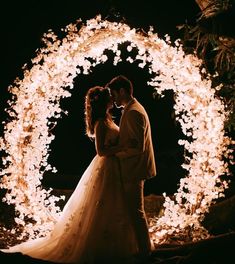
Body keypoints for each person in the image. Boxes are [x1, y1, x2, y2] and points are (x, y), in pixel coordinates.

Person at [1, 86, 139, 263]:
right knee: (104, 203)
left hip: (115, 165)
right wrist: (123, 145)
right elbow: (101, 151)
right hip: (107, 166)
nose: (113, 99)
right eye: (110, 97)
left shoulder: (108, 119)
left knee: (116, 203)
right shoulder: (100, 123)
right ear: (105, 102)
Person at [105, 75, 157, 261]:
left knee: (136, 211)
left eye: (114, 94)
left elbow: (137, 147)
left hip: (134, 169)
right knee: (133, 211)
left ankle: (145, 252)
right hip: (132, 168)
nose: (113, 98)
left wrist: (114, 155)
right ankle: (139, 248)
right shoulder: (132, 108)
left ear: (122, 91)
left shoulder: (134, 112)